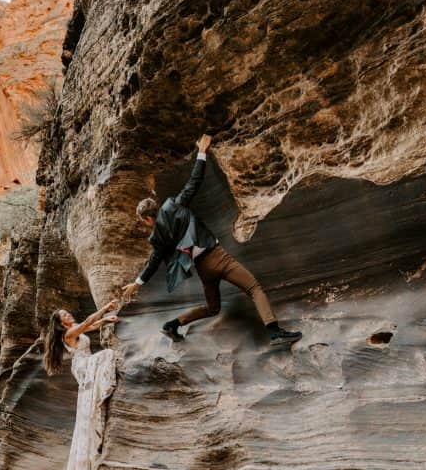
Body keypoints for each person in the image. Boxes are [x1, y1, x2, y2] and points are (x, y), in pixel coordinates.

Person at [121, 135, 302, 347]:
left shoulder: (157, 237)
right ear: (157, 208)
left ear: (148, 218)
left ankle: (172, 324)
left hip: (203, 269)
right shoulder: (175, 206)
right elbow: (194, 182)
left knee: (213, 308)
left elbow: (154, 260)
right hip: (218, 257)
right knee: (254, 288)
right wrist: (202, 152)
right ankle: (275, 332)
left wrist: (137, 282)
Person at [43, 299, 121, 470]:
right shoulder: (67, 334)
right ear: (61, 323)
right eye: (65, 316)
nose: (69, 316)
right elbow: (88, 321)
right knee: (106, 355)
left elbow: (91, 326)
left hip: (86, 364)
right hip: (83, 367)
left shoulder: (75, 331)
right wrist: (105, 309)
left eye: (68, 313)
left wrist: (105, 320)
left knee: (105, 355)